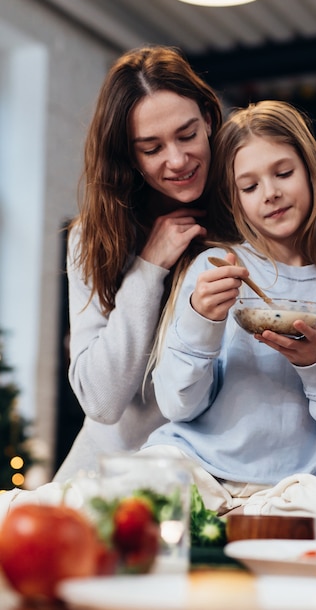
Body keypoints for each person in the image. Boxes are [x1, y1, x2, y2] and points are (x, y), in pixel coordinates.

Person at [142, 100, 316, 515]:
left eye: (283, 173)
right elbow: (176, 405)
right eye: (250, 186)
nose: (271, 193)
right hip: (194, 466)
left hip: (299, 483)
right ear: (235, 198)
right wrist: (202, 320)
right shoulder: (216, 268)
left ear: (311, 171)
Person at [53, 45, 238, 483]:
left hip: (214, 482)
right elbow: (101, 400)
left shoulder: (247, 218)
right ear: (129, 157)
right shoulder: (94, 236)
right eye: (151, 148)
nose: (177, 160)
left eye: (187, 135)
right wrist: (148, 268)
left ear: (209, 120)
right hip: (106, 478)